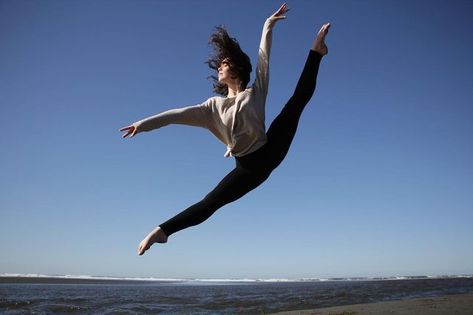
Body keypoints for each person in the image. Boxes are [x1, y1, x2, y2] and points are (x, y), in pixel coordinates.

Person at [120, 3, 331, 255]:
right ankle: (162, 231)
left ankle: (317, 51)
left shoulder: (255, 91)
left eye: (225, 63)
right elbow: (174, 116)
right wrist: (141, 125)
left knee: (296, 103)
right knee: (211, 202)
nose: (220, 66)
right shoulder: (211, 108)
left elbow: (264, 58)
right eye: (219, 64)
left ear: (238, 68)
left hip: (271, 147)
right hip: (249, 169)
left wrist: (267, 26)